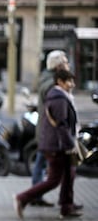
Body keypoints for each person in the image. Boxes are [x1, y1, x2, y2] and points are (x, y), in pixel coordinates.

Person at [14, 69, 82, 219]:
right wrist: (70, 145)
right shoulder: (59, 98)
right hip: (57, 146)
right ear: (59, 82)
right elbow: (61, 125)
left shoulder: (59, 96)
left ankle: (66, 207)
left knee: (68, 175)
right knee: (55, 179)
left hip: (56, 144)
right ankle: (23, 197)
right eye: (69, 81)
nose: (73, 84)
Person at [30, 50, 70, 207]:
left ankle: (35, 195)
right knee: (47, 166)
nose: (68, 64)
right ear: (58, 65)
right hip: (49, 130)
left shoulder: (48, 77)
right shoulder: (51, 80)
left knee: (41, 164)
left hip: (46, 130)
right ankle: (32, 196)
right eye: (65, 61)